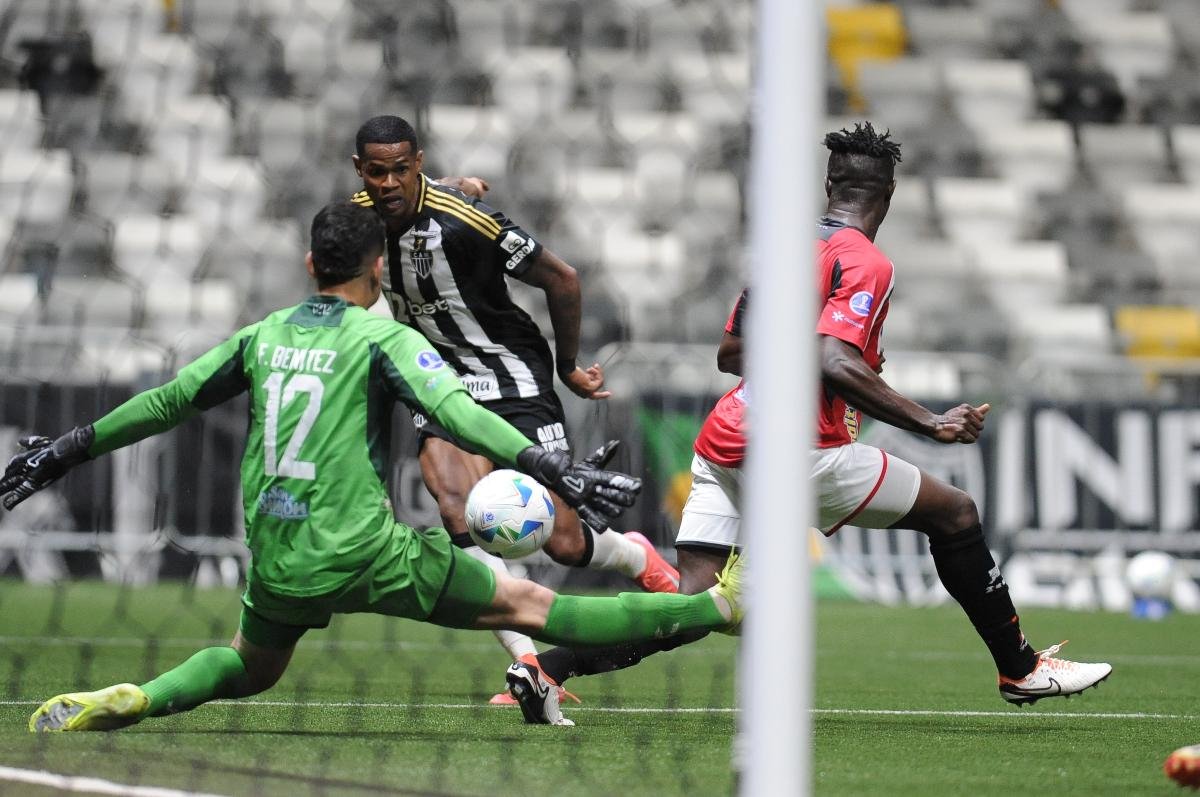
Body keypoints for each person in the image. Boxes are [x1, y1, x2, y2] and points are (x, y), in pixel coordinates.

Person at [10, 201, 742, 733]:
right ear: (376, 269)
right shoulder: (379, 337)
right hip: (367, 552)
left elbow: (167, 401)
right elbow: (457, 413)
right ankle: (713, 606)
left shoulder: (263, 335)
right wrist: (550, 463)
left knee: (251, 666)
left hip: (277, 554)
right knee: (541, 607)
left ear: (308, 264)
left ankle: (139, 696)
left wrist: (64, 449)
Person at [503, 122, 1114, 725]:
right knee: (953, 513)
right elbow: (833, 359)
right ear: (889, 195)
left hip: (727, 437)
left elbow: (731, 353)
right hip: (798, 447)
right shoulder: (866, 261)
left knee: (693, 598)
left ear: (829, 185)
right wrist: (931, 422)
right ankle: (1021, 668)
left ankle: (548, 667)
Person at [349, 115, 680, 694]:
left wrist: (568, 365)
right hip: (441, 384)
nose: (389, 184)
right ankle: (530, 667)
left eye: (402, 170)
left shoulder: (464, 225)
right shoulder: (358, 219)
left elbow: (564, 279)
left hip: (514, 379)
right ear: (362, 172)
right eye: (378, 172)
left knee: (565, 541)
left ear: (417, 164)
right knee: (456, 511)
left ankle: (635, 557)